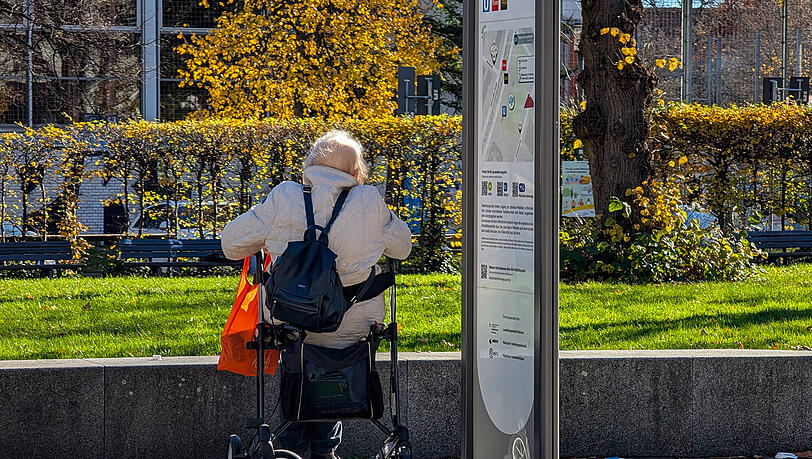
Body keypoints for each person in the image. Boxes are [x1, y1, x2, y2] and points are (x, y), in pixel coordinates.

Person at [220, 130, 412, 459]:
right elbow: (403, 248)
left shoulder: (284, 197)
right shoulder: (369, 201)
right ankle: (325, 450)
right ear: (355, 173)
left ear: (309, 168)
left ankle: (290, 446)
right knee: (335, 352)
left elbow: (231, 245)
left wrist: (273, 237)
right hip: (355, 330)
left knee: (299, 351)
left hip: (293, 324)